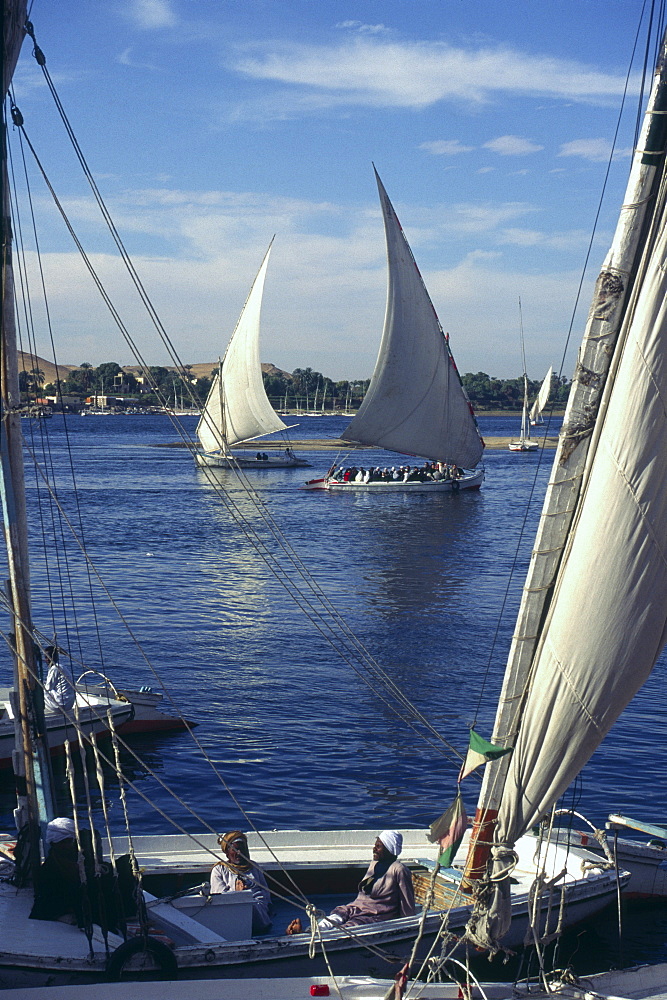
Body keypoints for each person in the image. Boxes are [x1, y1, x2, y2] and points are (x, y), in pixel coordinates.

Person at [286, 830, 414, 934]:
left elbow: (407, 902)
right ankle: (311, 932)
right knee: (337, 915)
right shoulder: (375, 863)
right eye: (375, 845)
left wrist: (407, 927)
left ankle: (312, 937)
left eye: (379, 846)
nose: (374, 849)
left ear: (389, 849)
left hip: (375, 914)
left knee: (351, 926)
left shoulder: (399, 870)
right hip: (356, 907)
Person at [211, 830, 272, 934]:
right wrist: (238, 894)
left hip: (258, 909)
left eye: (242, 849)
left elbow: (265, 893)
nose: (239, 853)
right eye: (235, 849)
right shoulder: (219, 870)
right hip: (231, 910)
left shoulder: (254, 867)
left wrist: (250, 897)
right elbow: (218, 898)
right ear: (227, 852)